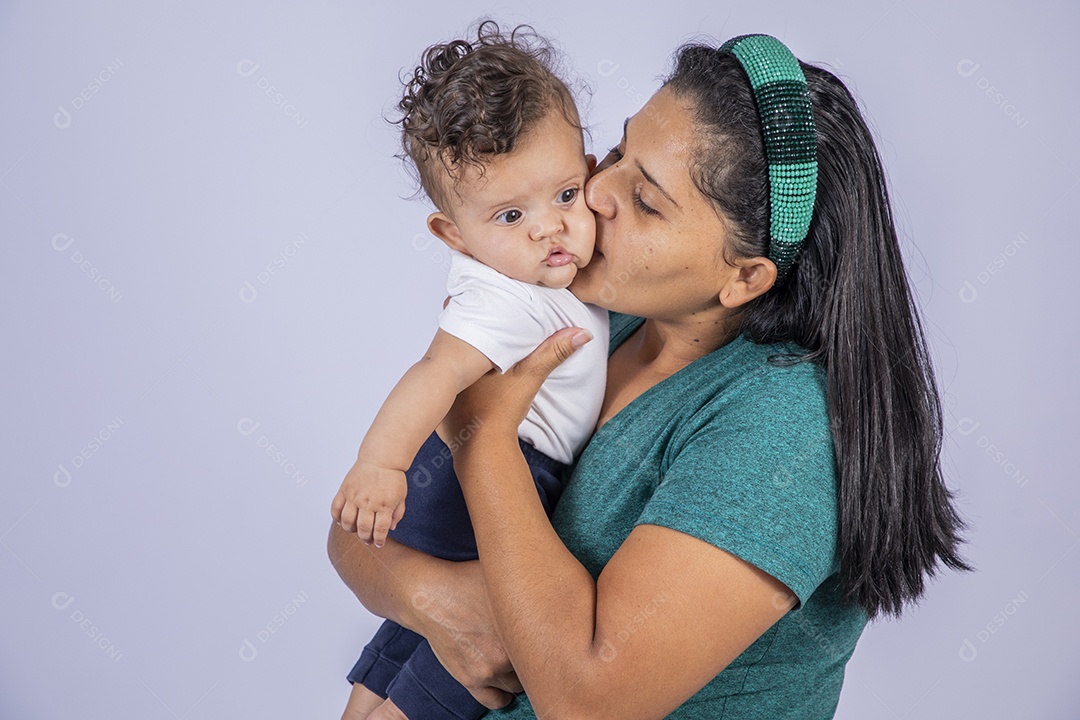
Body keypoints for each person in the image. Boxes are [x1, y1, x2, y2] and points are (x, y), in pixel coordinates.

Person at [329, 32, 969, 720]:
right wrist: (435, 601)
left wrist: (481, 436)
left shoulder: (780, 426)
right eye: (619, 151)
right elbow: (358, 534)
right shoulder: (602, 319)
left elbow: (588, 703)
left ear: (744, 277)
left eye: (647, 200)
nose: (595, 192)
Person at [330, 22, 609, 720]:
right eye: (511, 214)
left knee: (414, 626)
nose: (549, 229)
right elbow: (436, 372)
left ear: (591, 169)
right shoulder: (502, 296)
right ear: (454, 235)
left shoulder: (544, 273)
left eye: (566, 195)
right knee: (479, 642)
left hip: (477, 466)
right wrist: (380, 463)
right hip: (499, 472)